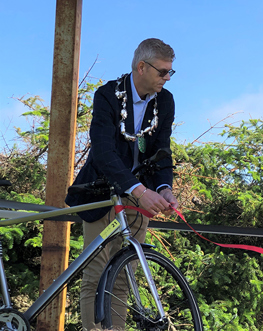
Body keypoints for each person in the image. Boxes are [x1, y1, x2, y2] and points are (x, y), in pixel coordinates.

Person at [65, 38, 179, 331]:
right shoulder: (107, 95)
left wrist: (164, 188)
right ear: (141, 67)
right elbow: (103, 152)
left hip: (139, 197)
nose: (167, 78)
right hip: (104, 192)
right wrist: (139, 191)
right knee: (96, 274)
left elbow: (162, 150)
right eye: (162, 72)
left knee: (125, 275)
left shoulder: (164, 101)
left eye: (170, 73)